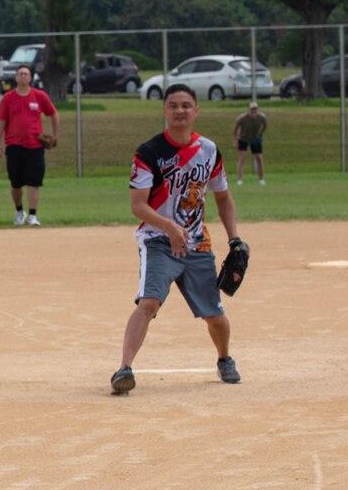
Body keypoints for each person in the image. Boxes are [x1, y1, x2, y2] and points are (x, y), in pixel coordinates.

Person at [111, 84, 244, 396]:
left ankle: (224, 358)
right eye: (173, 105)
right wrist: (169, 227)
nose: (180, 111)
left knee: (214, 314)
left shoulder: (209, 151)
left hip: (197, 242)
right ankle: (124, 368)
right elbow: (138, 205)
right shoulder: (149, 153)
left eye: (186, 105)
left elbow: (223, 197)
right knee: (149, 302)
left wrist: (234, 238)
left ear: (196, 111)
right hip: (158, 239)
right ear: (164, 111)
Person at [0, 65, 58, 226]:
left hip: (35, 146)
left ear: (30, 78)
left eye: (26, 74)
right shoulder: (8, 98)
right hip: (14, 145)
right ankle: (19, 212)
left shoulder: (39, 96)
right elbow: (1, 120)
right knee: (16, 183)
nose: (23, 76)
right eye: (20, 74)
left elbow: (54, 114)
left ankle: (33, 216)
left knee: (34, 182)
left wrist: (56, 135)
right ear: (16, 78)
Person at [233, 101, 268, 185]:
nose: (253, 111)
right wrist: (235, 140)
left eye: (255, 109)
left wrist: (260, 134)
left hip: (255, 138)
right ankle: (239, 180)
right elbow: (235, 128)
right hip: (243, 138)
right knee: (242, 157)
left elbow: (265, 125)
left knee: (259, 158)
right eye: (252, 109)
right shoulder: (242, 118)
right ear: (249, 110)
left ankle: (261, 179)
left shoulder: (261, 118)